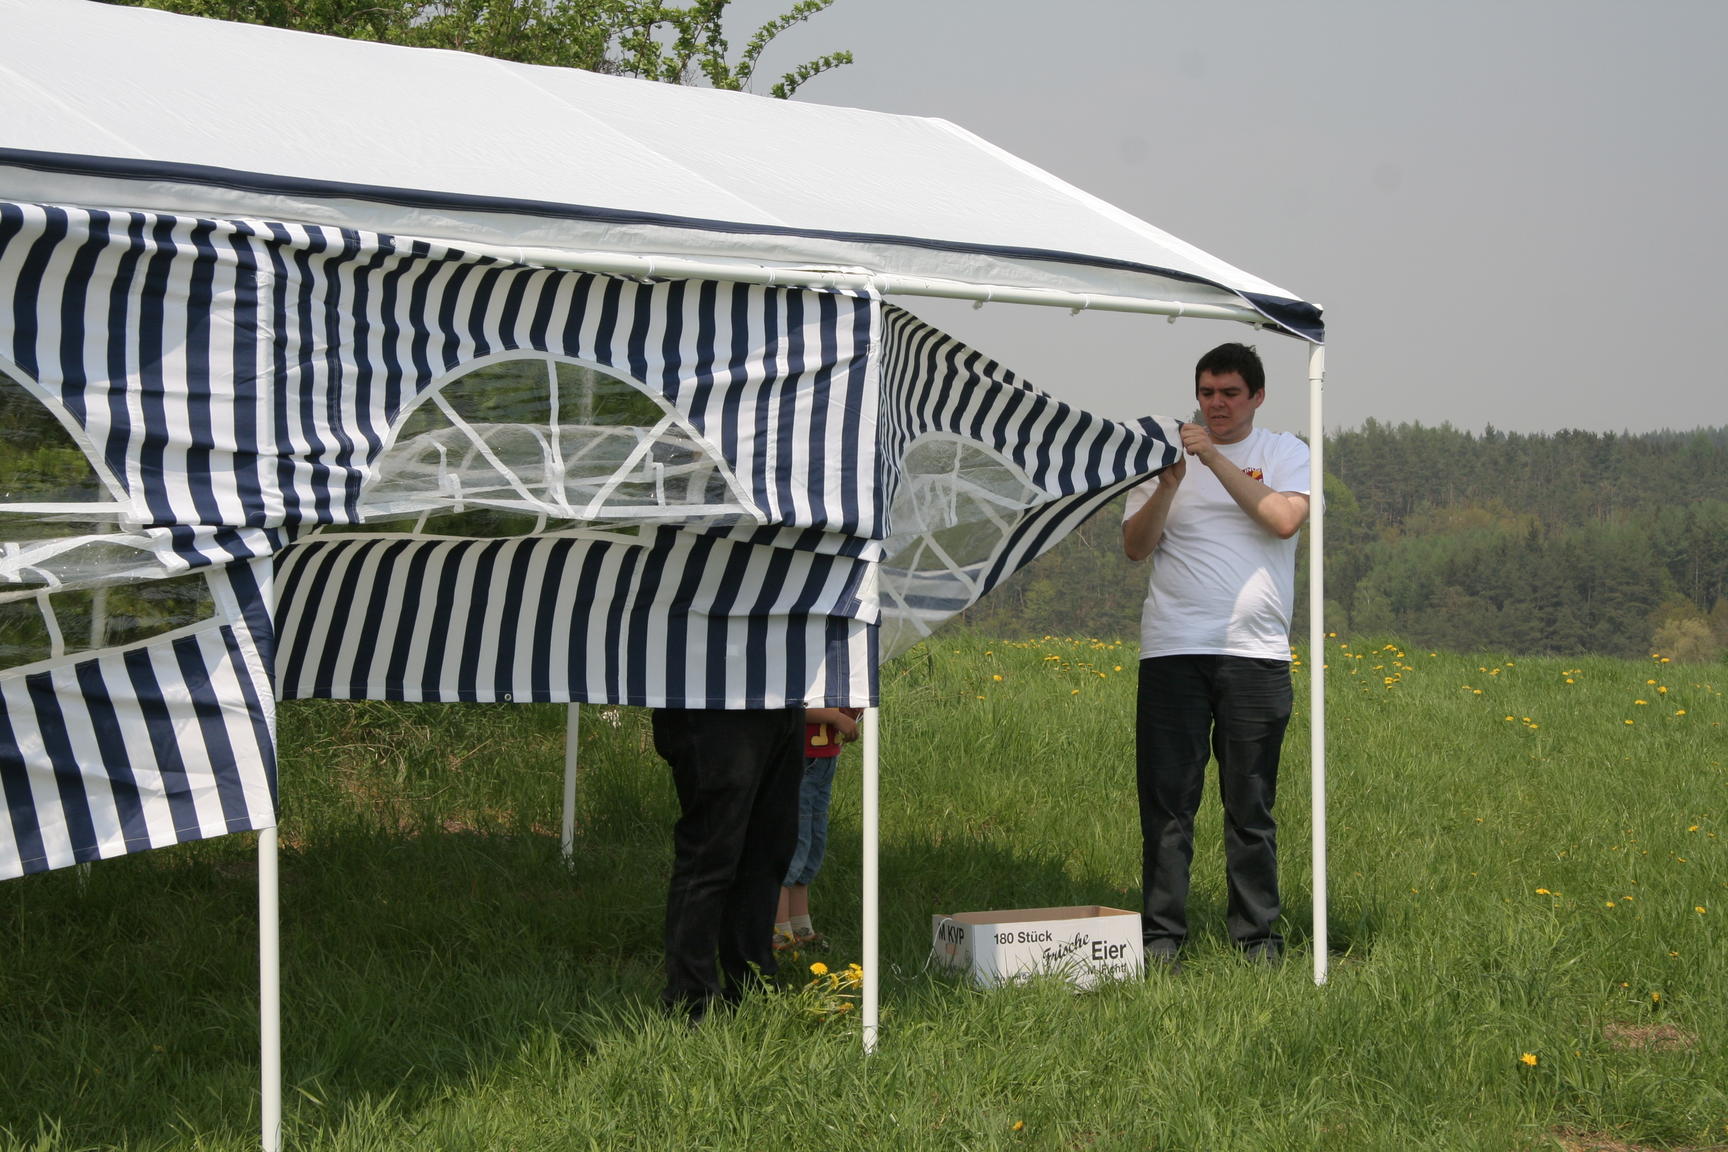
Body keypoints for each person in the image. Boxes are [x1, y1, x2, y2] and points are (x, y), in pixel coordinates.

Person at [1120, 342, 1310, 969]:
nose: (1217, 404)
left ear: (1257, 396)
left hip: (1255, 654)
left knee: (1250, 803)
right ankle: (1161, 940)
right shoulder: (1164, 457)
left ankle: (1256, 941)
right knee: (1168, 802)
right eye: (1207, 393)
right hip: (1173, 647)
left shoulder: (1284, 452)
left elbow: (1283, 519)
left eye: (1230, 393)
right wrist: (1168, 486)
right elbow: (1135, 548)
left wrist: (1214, 459)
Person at [651, 707, 805, 1022]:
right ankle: (690, 1005)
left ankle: (753, 990)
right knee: (711, 855)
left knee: (769, 852)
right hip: (714, 704)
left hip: (783, 700)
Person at [774, 707, 862, 951]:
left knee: (813, 843)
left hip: (824, 760)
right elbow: (791, 705)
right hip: (801, 758)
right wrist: (835, 717)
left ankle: (801, 929)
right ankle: (779, 934)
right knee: (794, 843)